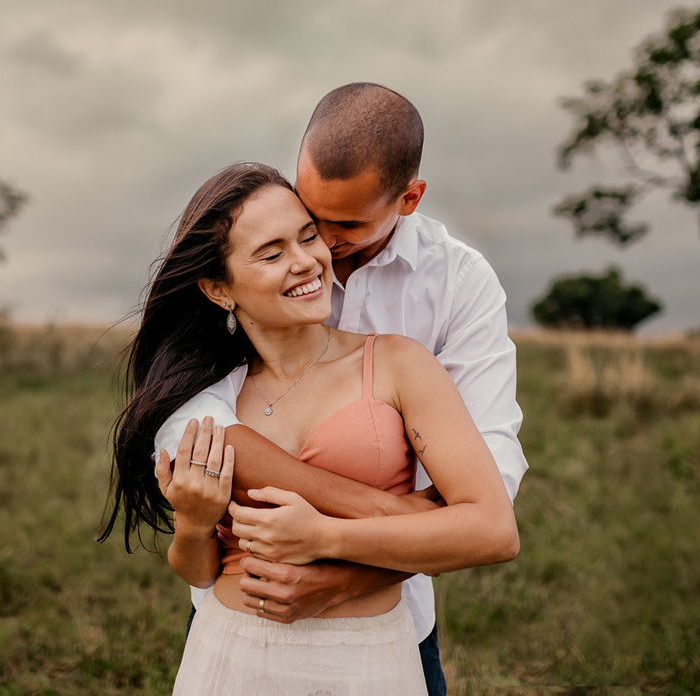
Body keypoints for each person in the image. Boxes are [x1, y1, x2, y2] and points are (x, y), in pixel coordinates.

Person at [153, 83, 528, 694]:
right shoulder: (217, 366)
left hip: (381, 627)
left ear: (409, 199)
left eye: (341, 225)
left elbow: (491, 485)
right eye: (308, 218)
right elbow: (195, 470)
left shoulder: (453, 287)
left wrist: (345, 564)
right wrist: (197, 523)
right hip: (233, 640)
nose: (320, 246)